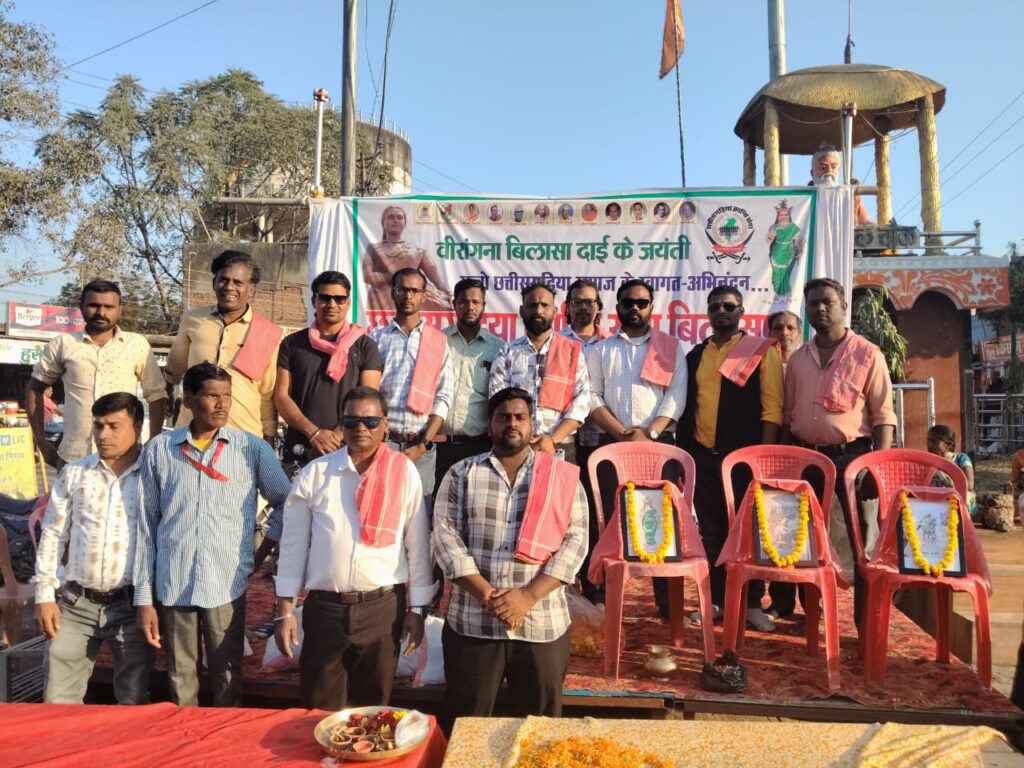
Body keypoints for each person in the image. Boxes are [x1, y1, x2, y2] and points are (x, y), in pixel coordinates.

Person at [134, 362, 291, 707]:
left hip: (225, 583)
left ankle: (225, 735)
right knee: (180, 676)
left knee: (228, 674)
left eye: (227, 396)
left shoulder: (251, 449)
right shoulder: (160, 450)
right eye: (211, 396)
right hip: (173, 582)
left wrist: (260, 552)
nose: (222, 404)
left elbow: (287, 503)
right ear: (189, 400)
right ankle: (184, 736)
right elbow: (145, 526)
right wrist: (144, 598)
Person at [274, 387, 435, 710]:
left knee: (373, 712)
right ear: (341, 424)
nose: (361, 428)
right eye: (351, 421)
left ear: (385, 424)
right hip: (325, 610)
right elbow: (292, 546)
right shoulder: (317, 473)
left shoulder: (403, 472)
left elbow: (418, 546)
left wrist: (418, 610)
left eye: (370, 421)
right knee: (319, 712)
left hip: (382, 610)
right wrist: (285, 610)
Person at [433, 387, 588, 721]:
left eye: (520, 417)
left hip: (541, 623)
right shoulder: (462, 473)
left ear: (532, 425)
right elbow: (446, 539)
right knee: (467, 727)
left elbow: (576, 542)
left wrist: (528, 596)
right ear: (490, 424)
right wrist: (489, 596)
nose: (512, 423)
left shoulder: (560, 478)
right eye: (503, 417)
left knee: (539, 731)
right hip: (474, 624)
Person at [782, 277, 896, 626]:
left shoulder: (867, 354)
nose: (819, 308)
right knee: (806, 542)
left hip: (853, 461)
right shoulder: (798, 360)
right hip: (807, 461)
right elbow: (789, 417)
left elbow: (884, 416)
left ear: (843, 307)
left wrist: (875, 469)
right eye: (813, 303)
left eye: (827, 302)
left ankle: (865, 624)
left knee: (862, 545)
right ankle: (812, 617)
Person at [33, 392, 153, 704]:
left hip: (131, 605)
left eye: (114, 426)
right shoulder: (76, 473)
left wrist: (151, 602)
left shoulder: (153, 476)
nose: (103, 435)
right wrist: (45, 596)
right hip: (76, 604)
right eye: (99, 426)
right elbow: (53, 534)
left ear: (137, 428)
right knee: (58, 700)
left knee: (133, 702)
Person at [677, 285, 784, 632]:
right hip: (704, 459)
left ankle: (751, 603)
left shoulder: (760, 351)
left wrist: (762, 459)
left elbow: (773, 408)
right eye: (715, 307)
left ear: (741, 312)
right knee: (712, 533)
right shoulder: (695, 355)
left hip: (744, 461)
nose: (721, 312)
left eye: (728, 306)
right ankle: (719, 601)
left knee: (747, 533)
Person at [586, 279, 687, 610]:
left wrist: (650, 434)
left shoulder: (669, 347)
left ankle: (667, 603)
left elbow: (676, 396)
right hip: (613, 445)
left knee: (662, 519)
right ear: (617, 307)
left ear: (651, 308)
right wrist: (621, 434)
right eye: (628, 302)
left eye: (641, 303)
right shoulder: (600, 350)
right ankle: (603, 598)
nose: (634, 308)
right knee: (608, 521)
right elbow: (591, 396)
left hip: (660, 447)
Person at [27, 280, 167, 468]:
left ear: (120, 310)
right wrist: (41, 442)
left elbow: (157, 395)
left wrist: (153, 443)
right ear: (81, 307)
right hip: (74, 457)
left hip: (125, 459)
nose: (101, 312)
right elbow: (34, 389)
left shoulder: (136, 345)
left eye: (109, 307)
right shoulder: (64, 344)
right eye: (94, 305)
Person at [166, 250, 282, 442]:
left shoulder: (267, 332)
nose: (229, 287)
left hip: (243, 439)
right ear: (214, 283)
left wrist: (268, 436)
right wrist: (168, 390)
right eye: (223, 280)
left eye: (237, 282)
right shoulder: (193, 319)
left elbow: (267, 394)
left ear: (251, 289)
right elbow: (174, 368)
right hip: (191, 433)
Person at [274, 271, 382, 471]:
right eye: (325, 298)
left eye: (339, 299)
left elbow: (368, 400)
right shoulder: (292, 343)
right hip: (301, 452)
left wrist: (334, 439)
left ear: (348, 303)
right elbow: (281, 397)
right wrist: (314, 434)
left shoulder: (365, 346)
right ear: (314, 301)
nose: (332, 304)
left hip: (350, 454)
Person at [370, 268, 453, 506]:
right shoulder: (377, 338)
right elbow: (369, 394)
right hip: (383, 443)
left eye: (415, 290)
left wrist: (423, 445)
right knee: (379, 508)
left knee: (419, 515)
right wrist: (378, 438)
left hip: (421, 448)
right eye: (402, 289)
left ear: (424, 296)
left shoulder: (437, 341)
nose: (408, 295)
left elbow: (443, 397)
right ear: (392, 293)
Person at [490, 282, 591, 463]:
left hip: (560, 447)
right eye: (532, 305)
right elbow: (497, 402)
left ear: (555, 311)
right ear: (522, 311)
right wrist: (523, 440)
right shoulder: (507, 353)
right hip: (516, 448)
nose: (538, 310)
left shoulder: (571, 351)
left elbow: (582, 401)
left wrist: (552, 439)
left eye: (545, 305)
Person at [436, 278, 503, 489]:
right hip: (438, 446)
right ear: (454, 304)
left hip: (479, 446)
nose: (470, 307)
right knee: (436, 503)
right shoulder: (437, 341)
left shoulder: (498, 348)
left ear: (484, 306)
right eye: (464, 302)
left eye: (476, 302)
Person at [363, 205, 452, 312]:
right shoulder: (372, 248)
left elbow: (437, 281)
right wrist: (400, 277)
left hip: (410, 302)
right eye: (391, 217)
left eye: (399, 217)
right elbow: (368, 276)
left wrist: (449, 295)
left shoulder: (418, 252)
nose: (395, 220)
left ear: (404, 223)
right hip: (380, 303)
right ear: (383, 223)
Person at [809, 144, 872, 224]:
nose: (829, 171)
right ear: (812, 173)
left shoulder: (849, 197)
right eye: (823, 168)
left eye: (833, 167)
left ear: (838, 171)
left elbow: (867, 224)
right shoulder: (806, 199)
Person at [926, 425, 977, 520]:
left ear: (948, 444)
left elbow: (969, 485)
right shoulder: (926, 461)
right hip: (935, 503)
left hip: (958, 501)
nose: (929, 444)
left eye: (934, 441)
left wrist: (944, 478)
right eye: (928, 440)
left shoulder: (961, 459)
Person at [765, 200, 804, 296]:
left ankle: (785, 291)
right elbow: (768, 240)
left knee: (785, 272)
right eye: (781, 215)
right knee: (776, 272)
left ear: (789, 216)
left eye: (786, 215)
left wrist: (798, 250)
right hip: (777, 251)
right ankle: (776, 292)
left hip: (788, 251)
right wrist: (770, 237)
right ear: (778, 216)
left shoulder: (793, 227)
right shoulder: (774, 227)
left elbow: (798, 240)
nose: (783, 217)